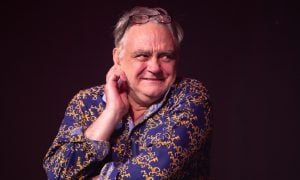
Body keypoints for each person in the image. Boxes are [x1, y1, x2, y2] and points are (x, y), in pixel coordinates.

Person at [43, 6, 213, 179]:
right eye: (142, 55)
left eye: (166, 56)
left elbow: (154, 172)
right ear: (118, 58)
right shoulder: (86, 101)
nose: (154, 67)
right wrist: (112, 113)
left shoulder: (191, 97)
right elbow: (57, 173)